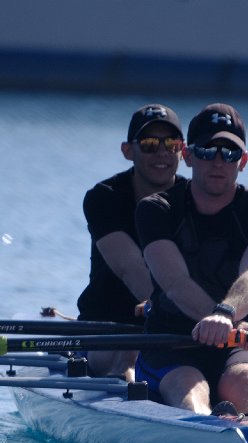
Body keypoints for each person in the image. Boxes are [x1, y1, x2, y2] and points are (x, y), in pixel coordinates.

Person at [135, 103, 248, 416]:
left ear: (243, 161)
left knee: (247, 380)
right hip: (170, 343)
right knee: (189, 384)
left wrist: (226, 316)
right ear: (187, 155)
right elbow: (175, 282)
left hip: (236, 342)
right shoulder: (156, 209)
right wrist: (227, 322)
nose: (218, 161)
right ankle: (206, 428)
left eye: (229, 153)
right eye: (207, 151)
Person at [71, 103, 186, 380]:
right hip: (108, 327)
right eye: (149, 144)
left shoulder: (196, 199)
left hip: (178, 325)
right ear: (127, 150)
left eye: (171, 144)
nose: (161, 152)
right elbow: (131, 269)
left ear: (182, 150)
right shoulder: (104, 198)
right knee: (130, 356)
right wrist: (183, 315)